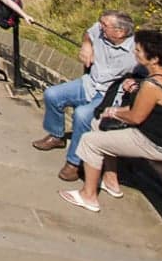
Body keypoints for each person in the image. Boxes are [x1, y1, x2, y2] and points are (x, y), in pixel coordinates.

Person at [60, 30, 162, 211]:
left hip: (158, 144)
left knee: (90, 141)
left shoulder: (152, 84)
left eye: (138, 50)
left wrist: (115, 112)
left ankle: (88, 196)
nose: (134, 52)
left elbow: (136, 117)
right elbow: (149, 107)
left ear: (154, 59)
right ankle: (110, 180)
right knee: (99, 123)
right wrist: (114, 110)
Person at [32, 10, 141, 181]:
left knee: (82, 115)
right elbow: (89, 33)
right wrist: (86, 44)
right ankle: (56, 135)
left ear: (120, 32)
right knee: (52, 94)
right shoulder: (100, 29)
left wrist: (134, 82)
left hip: (111, 94)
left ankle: (75, 163)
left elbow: (150, 74)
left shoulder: (137, 51)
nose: (100, 27)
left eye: (105, 25)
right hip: (89, 84)